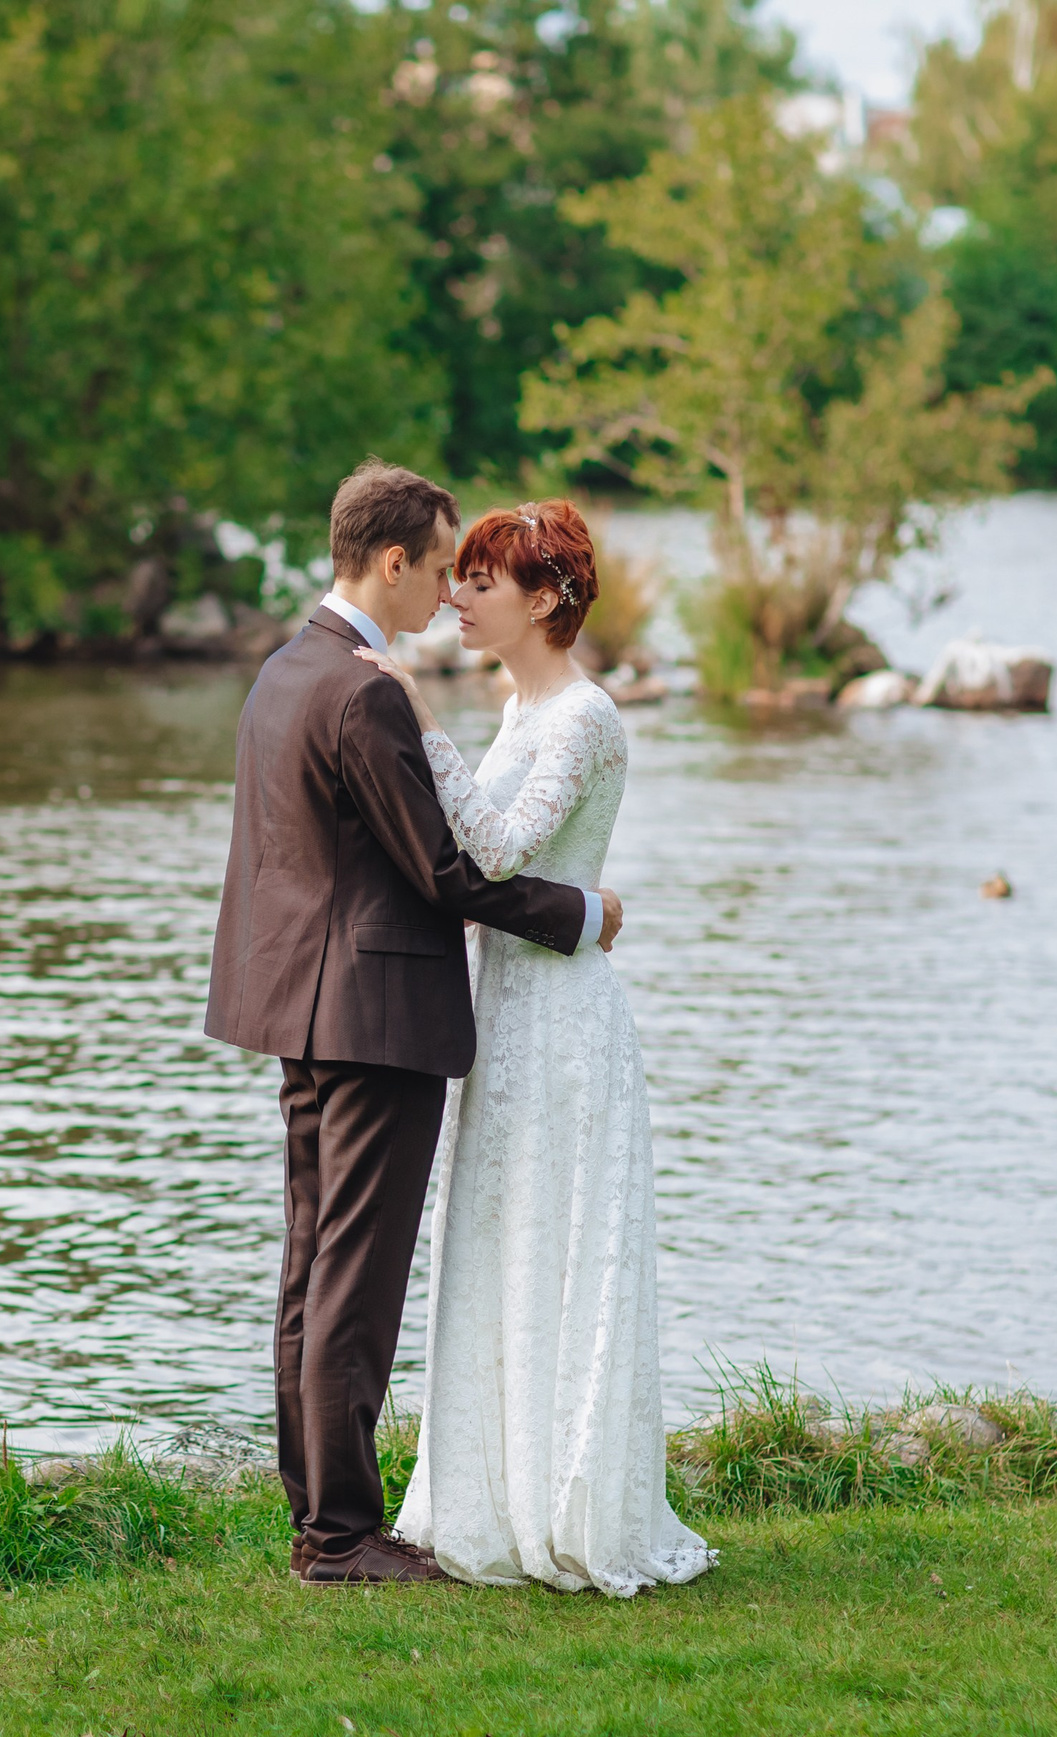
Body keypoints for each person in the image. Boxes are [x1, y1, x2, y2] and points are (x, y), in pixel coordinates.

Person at [204, 460, 623, 1586]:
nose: (446, 589)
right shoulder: (366, 689)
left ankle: (322, 1524)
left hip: (298, 1004)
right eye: (440, 566)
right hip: (377, 1015)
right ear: (392, 561)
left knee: (310, 1271)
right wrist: (581, 913)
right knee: (355, 1281)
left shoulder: (289, 670)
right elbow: (445, 875)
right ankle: (341, 1537)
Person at [355, 499, 714, 1597]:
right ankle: (489, 1497)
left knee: (561, 1241)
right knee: (500, 1243)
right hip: (501, 1011)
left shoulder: (583, 716)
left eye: (479, 580)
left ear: (546, 598)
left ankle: (568, 1505)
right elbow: (484, 880)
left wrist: (417, 726)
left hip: (562, 1023)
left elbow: (503, 847)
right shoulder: (519, 713)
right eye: (453, 577)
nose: (454, 597)